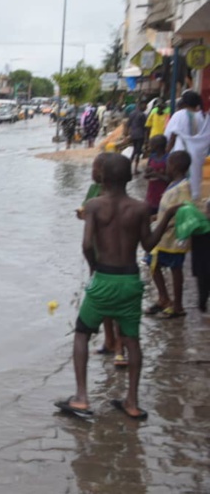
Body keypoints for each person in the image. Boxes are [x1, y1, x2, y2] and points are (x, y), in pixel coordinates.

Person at [55, 153, 180, 420]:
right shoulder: (140, 208)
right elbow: (148, 245)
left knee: (82, 333)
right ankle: (132, 403)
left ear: (102, 176)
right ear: (128, 177)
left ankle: (81, 397)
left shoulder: (93, 205)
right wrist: (167, 215)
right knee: (132, 340)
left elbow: (87, 245)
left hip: (104, 278)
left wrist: (94, 268)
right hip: (131, 281)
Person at [76, 153, 120, 358]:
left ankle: (120, 346)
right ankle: (109, 340)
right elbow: (86, 212)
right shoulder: (93, 191)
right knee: (103, 301)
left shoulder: (116, 196)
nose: (92, 172)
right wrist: (81, 214)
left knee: (115, 301)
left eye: (96, 168)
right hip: (95, 253)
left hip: (109, 255)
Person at [146, 151, 193, 319]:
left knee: (170, 267)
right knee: (155, 264)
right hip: (164, 234)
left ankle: (175, 304)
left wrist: (166, 219)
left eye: (168, 164)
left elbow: (184, 208)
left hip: (171, 237)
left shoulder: (183, 187)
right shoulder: (175, 184)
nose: (165, 167)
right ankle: (164, 299)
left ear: (173, 167)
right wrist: (155, 217)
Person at [143, 135, 170, 216]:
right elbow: (147, 172)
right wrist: (147, 173)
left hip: (163, 192)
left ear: (157, 146)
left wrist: (157, 175)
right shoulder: (152, 157)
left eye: (151, 144)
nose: (149, 146)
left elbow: (170, 179)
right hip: (152, 192)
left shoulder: (168, 159)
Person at [126, 101, 148, 175]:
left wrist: (127, 134)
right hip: (140, 135)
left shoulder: (131, 114)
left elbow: (128, 125)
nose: (146, 107)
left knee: (135, 150)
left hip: (133, 135)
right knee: (137, 152)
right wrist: (146, 139)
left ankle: (128, 167)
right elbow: (145, 127)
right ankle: (135, 169)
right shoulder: (142, 115)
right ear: (140, 106)